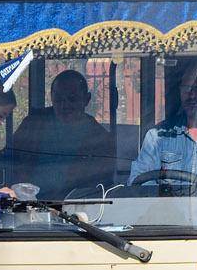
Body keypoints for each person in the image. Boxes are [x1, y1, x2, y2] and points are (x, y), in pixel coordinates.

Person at [129, 56, 197, 189]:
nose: (192, 95)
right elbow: (138, 184)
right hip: (166, 209)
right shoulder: (158, 136)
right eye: (186, 89)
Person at [7, 69, 117, 199]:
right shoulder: (34, 123)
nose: (65, 105)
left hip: (76, 207)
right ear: (51, 98)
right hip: (29, 203)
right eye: (58, 99)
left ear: (86, 99)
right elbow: (11, 160)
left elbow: (100, 185)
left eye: (72, 99)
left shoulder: (101, 139)